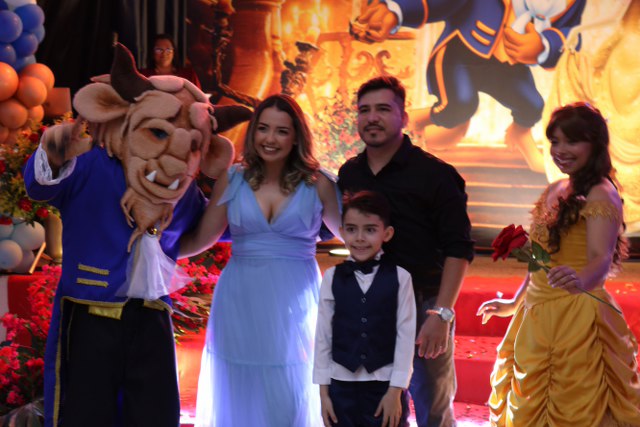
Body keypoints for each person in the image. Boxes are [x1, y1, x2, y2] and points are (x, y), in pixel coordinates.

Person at [22, 43, 250, 427]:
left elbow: (213, 229)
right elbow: (38, 185)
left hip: (151, 317)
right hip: (90, 310)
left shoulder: (182, 190)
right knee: (84, 413)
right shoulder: (92, 163)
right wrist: (59, 147)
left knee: (154, 413)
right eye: (159, 131)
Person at [180, 93, 342, 427]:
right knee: (240, 390)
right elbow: (202, 238)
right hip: (240, 299)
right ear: (253, 132)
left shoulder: (319, 184)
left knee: (291, 392)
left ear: (296, 136)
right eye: (263, 128)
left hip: (295, 299)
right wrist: (153, 250)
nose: (270, 138)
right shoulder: (232, 178)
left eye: (281, 131)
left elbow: (355, 238)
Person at [477, 102, 640, 426]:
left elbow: (600, 258)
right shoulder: (554, 189)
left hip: (576, 318)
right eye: (554, 142)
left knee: (575, 403)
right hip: (535, 316)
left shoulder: (601, 193)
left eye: (571, 141)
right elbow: (539, 261)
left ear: (594, 144)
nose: (560, 150)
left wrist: (580, 280)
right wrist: (514, 303)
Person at [338, 75, 475, 427]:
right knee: (377, 406)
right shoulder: (350, 173)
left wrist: (441, 314)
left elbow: (459, 249)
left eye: (383, 109)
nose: (372, 118)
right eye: (364, 110)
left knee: (432, 405)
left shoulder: (436, 175)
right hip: (369, 305)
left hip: (423, 303)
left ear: (403, 117)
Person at [313, 190, 416, 427]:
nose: (359, 238)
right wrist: (324, 394)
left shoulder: (401, 278)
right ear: (341, 232)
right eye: (351, 229)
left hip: (384, 385)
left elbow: (405, 337)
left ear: (387, 233)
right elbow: (323, 336)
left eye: (370, 230)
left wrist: (395, 391)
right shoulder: (331, 277)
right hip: (340, 385)